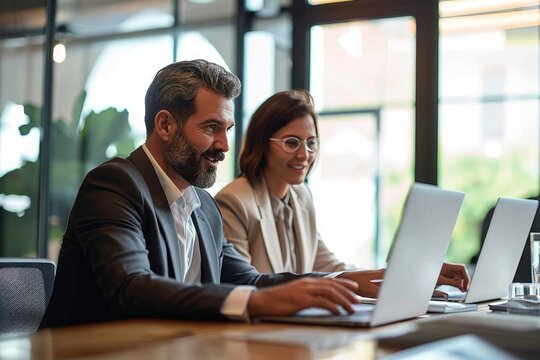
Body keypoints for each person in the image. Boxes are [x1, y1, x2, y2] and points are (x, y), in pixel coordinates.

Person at [40, 60, 388, 328]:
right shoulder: (114, 184)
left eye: (227, 129)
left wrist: (341, 281)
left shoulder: (203, 205)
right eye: (211, 128)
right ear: (164, 125)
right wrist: (252, 303)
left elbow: (248, 280)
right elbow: (132, 288)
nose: (223, 145)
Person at [214, 89, 469, 284]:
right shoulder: (235, 201)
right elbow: (244, 285)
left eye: (311, 143)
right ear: (261, 143)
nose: (305, 155)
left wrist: (408, 277)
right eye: (292, 142)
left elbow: (330, 267)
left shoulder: (301, 197)